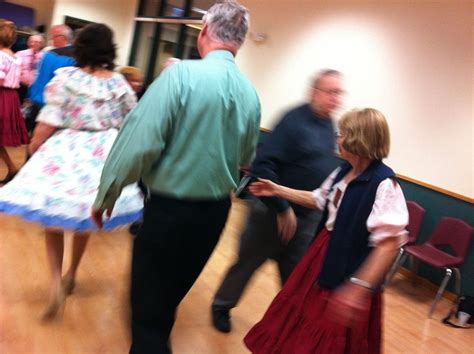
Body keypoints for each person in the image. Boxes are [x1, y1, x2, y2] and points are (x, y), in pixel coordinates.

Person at [91, 1, 261, 352]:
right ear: (239, 43)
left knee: (146, 312)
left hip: (169, 214)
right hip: (215, 216)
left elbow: (138, 142)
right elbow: (246, 159)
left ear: (203, 32)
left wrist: (107, 193)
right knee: (166, 302)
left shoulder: (180, 76)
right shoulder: (250, 95)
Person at [0, 23, 142, 321]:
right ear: (109, 49)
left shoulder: (66, 78)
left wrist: (34, 146)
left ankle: (54, 282)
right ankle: (72, 275)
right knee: (87, 218)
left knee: (53, 220)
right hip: (104, 153)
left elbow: (49, 120)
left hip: (67, 147)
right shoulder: (119, 84)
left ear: (81, 48)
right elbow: (133, 123)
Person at [244, 108, 409, 354]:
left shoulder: (383, 184)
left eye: (341, 134)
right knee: (300, 317)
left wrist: (358, 288)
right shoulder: (343, 171)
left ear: (358, 138)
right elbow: (318, 199)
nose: (337, 138)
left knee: (328, 332)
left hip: (349, 268)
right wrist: (277, 190)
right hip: (323, 254)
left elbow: (389, 244)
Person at [211, 69, 342, 333]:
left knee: (296, 276)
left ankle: (290, 322)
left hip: (306, 218)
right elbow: (263, 166)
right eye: (330, 92)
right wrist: (282, 209)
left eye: (339, 93)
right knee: (247, 263)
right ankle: (222, 305)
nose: (335, 99)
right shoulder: (292, 121)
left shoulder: (330, 125)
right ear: (314, 92)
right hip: (270, 214)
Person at [25, 24, 75, 133]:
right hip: (39, 100)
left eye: (54, 36)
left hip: (51, 105)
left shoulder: (70, 57)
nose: (52, 39)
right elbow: (39, 75)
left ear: (64, 38)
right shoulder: (49, 53)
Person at [0, 19, 29, 183]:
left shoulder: (0, 56)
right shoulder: (16, 58)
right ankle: (12, 168)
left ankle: (12, 168)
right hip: (10, 97)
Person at [15, 33, 44, 102]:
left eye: (38, 42)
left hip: (35, 89)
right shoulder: (20, 54)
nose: (34, 44)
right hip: (20, 87)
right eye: (32, 41)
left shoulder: (43, 57)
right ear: (28, 43)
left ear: (41, 44)